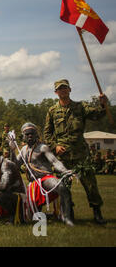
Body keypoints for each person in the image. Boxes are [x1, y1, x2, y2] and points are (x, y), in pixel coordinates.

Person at [44, 79, 108, 225]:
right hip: (63, 156)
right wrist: (55, 147)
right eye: (60, 89)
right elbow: (47, 134)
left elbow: (97, 115)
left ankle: (97, 213)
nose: (63, 91)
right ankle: (68, 213)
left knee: (90, 185)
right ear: (56, 92)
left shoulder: (80, 107)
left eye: (65, 88)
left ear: (70, 90)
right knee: (64, 186)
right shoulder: (52, 111)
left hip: (81, 154)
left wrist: (103, 103)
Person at [11, 123, 75, 226]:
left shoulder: (42, 147)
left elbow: (54, 161)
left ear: (36, 135)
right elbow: (14, 165)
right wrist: (12, 150)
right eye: (27, 134)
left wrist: (65, 171)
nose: (30, 136)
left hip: (46, 179)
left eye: (32, 134)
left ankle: (67, 218)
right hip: (33, 184)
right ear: (23, 136)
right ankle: (47, 215)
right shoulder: (23, 150)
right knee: (32, 217)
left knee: (62, 187)